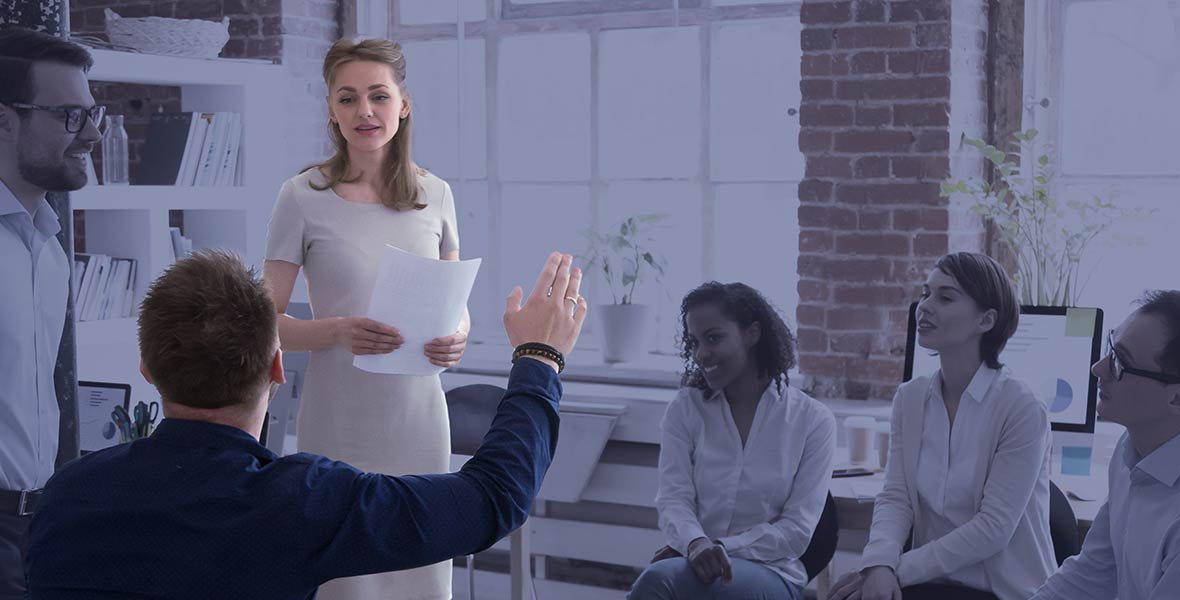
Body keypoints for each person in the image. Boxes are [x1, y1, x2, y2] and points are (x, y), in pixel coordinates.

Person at [24, 250, 587, 599]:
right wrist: (539, 357)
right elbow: (493, 499)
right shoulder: (301, 503)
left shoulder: (65, 495)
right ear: (276, 367)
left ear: (147, 371)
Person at [262, 38, 468, 599]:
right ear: (331, 108)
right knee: (345, 579)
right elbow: (263, 321)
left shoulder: (436, 194)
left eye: (379, 96)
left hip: (419, 420)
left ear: (403, 104)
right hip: (338, 420)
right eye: (348, 98)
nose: (365, 112)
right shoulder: (301, 196)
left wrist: (457, 338)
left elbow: (456, 303)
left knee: (421, 574)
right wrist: (335, 331)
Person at [830, 252, 1054, 600]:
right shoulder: (911, 398)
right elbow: (896, 498)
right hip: (931, 584)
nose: (925, 307)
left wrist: (894, 570)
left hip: (1003, 592)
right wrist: (878, 564)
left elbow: (992, 529)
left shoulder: (1020, 406)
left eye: (945, 297)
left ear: (986, 320)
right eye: (925, 293)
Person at [627, 282, 835, 600]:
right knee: (661, 580)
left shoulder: (812, 420)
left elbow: (797, 531)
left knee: (660, 581)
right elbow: (673, 501)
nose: (701, 353)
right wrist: (696, 544)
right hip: (693, 565)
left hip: (773, 573)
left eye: (714, 338)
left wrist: (721, 548)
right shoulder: (685, 409)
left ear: (752, 334)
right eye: (694, 342)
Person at [0, 27, 100, 599]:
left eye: (91, 113)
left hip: (38, 523)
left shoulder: (49, 246)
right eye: (69, 115)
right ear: (5, 120)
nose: (90, 134)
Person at [1031, 290, 1180, 599]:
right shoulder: (1134, 447)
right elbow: (1092, 572)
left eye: (1121, 362)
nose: (1098, 368)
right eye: (1111, 348)